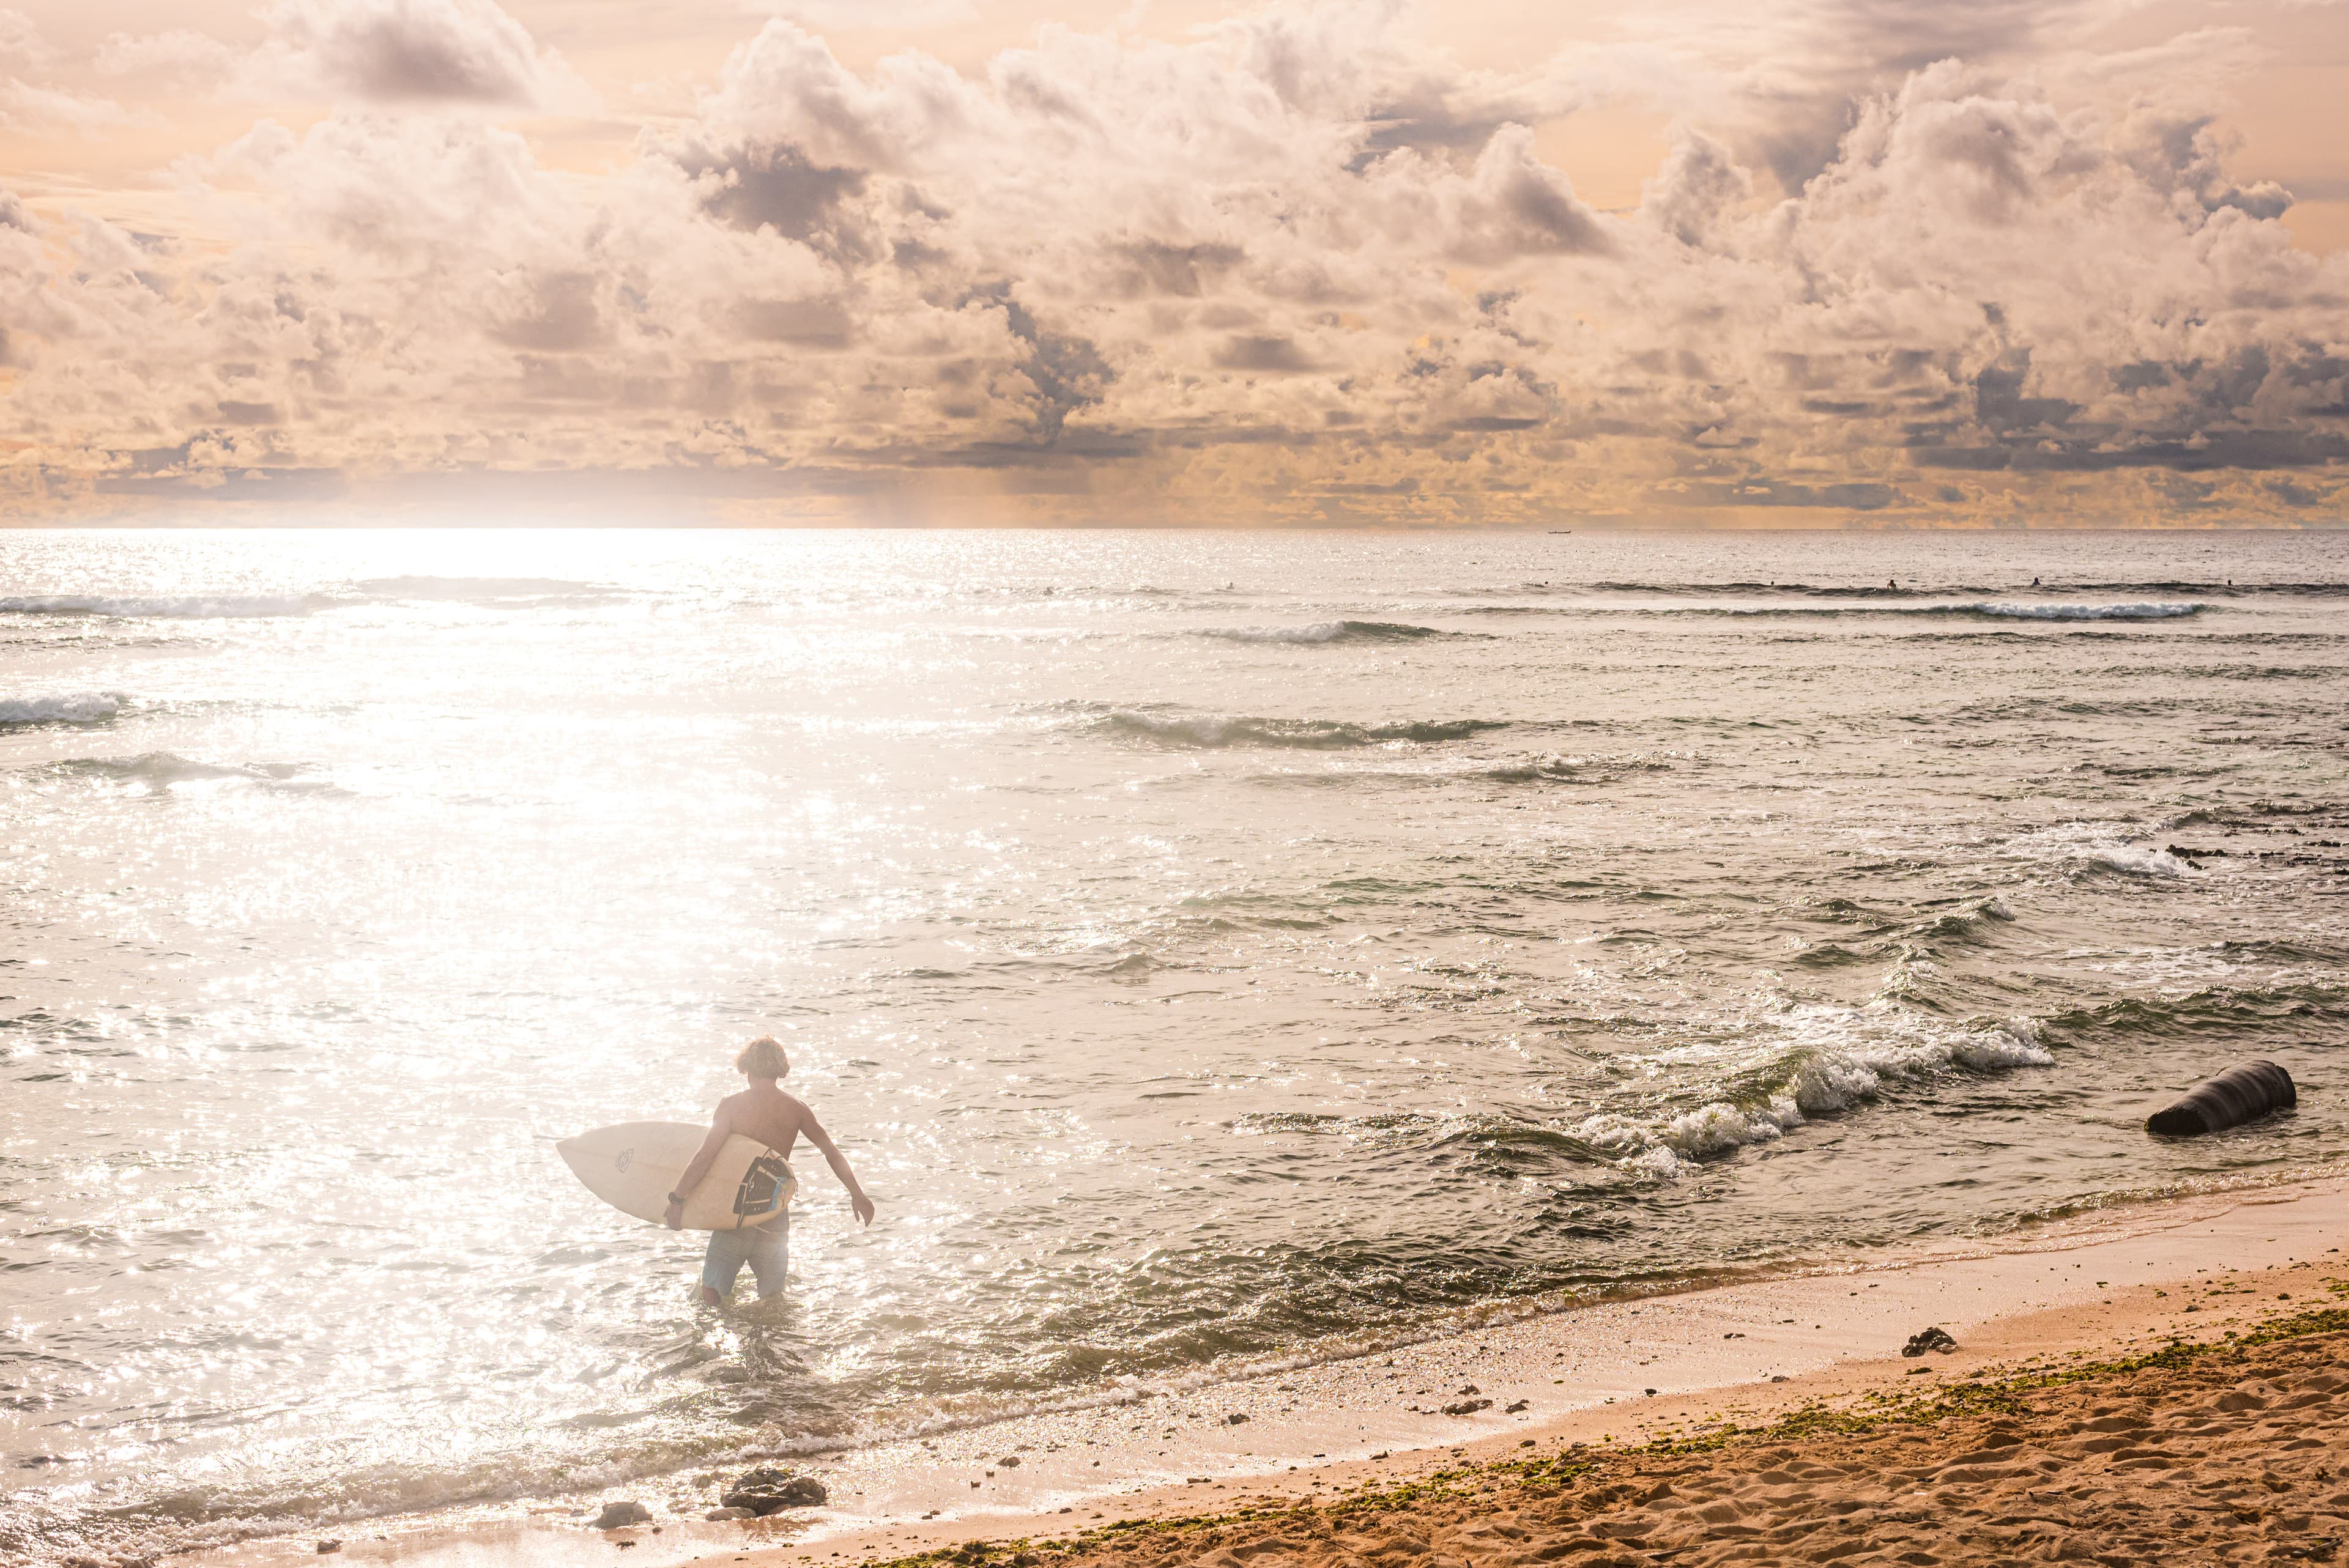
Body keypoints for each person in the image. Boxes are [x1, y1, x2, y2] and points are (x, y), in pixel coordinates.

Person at [664, 1035, 876, 1305]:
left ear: (746, 1066)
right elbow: (831, 1152)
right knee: (772, 1300)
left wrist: (678, 1199)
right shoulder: (797, 1110)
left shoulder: (731, 1105)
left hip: (737, 1215)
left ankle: (718, 1342)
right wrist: (857, 1194)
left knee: (712, 1293)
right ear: (779, 1068)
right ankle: (767, 1344)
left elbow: (705, 1156)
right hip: (775, 1215)